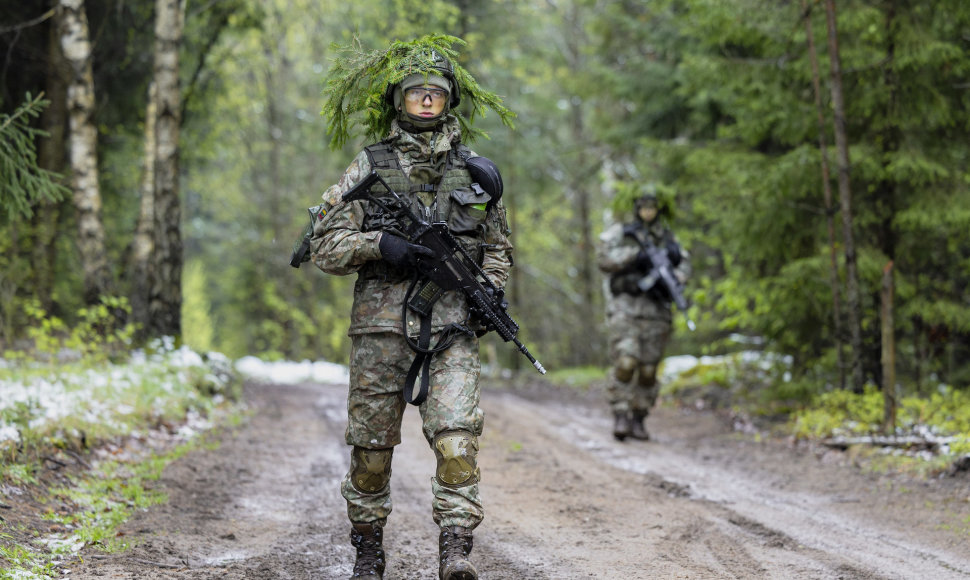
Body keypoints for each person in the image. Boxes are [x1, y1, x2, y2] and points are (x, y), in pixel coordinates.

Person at [309, 37, 514, 580]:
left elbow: (498, 250)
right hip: (380, 332)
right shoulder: (370, 166)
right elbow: (324, 246)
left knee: (456, 441)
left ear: (450, 101)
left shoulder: (477, 174)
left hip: (450, 329)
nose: (426, 103)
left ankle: (456, 550)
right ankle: (368, 552)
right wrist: (381, 245)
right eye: (416, 93)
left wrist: (485, 297)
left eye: (436, 95)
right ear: (399, 100)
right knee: (371, 453)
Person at [596, 190, 691, 442]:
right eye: (643, 207)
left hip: (657, 310)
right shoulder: (622, 232)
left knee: (648, 370)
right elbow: (603, 258)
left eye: (652, 207)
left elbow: (684, 267)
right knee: (626, 362)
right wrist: (634, 257)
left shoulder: (668, 237)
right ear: (637, 208)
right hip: (626, 307)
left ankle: (639, 417)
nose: (648, 212)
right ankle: (620, 413)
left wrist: (672, 275)